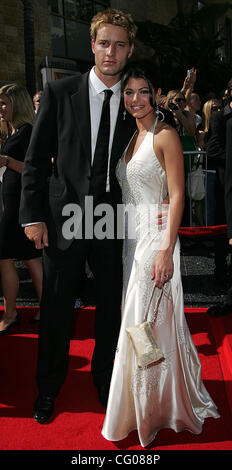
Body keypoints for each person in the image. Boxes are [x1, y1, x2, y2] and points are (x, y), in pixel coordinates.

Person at [19, 8, 138, 424]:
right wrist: (32, 216)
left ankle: (106, 384)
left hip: (111, 219)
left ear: (130, 50)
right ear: (92, 45)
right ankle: (47, 389)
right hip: (65, 217)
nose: (111, 51)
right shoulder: (59, 93)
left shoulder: (135, 100)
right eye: (104, 43)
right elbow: (34, 162)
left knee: (110, 309)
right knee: (55, 308)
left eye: (120, 44)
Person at [101, 65, 219, 448]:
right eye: (130, 93)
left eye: (143, 92)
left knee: (144, 323)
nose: (136, 99)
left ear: (155, 95)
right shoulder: (130, 139)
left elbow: (178, 194)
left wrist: (167, 248)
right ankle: (152, 402)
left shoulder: (164, 135)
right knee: (146, 323)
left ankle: (151, 406)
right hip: (130, 241)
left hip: (156, 239)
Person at [0, 84, 43, 334]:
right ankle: (46, 309)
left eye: (5, 102)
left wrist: (5, 160)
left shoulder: (26, 132)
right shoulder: (16, 131)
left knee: (5, 257)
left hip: (19, 204)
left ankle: (10, 313)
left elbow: (33, 168)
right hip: (16, 202)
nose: (1, 108)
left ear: (18, 103)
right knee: (31, 258)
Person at [207, 78, 232, 316]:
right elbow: (212, 149)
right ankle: (220, 275)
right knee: (223, 237)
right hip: (226, 187)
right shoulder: (219, 118)